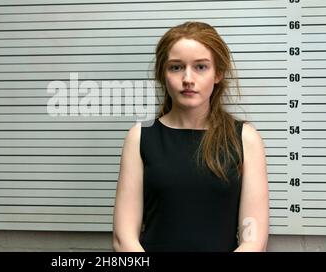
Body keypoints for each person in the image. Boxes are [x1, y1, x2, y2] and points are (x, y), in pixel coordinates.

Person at [112, 21, 269, 252]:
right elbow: (123, 238)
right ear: (162, 74)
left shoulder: (245, 139)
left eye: (201, 67)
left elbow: (254, 241)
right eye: (176, 67)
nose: (187, 78)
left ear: (218, 74)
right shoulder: (140, 137)